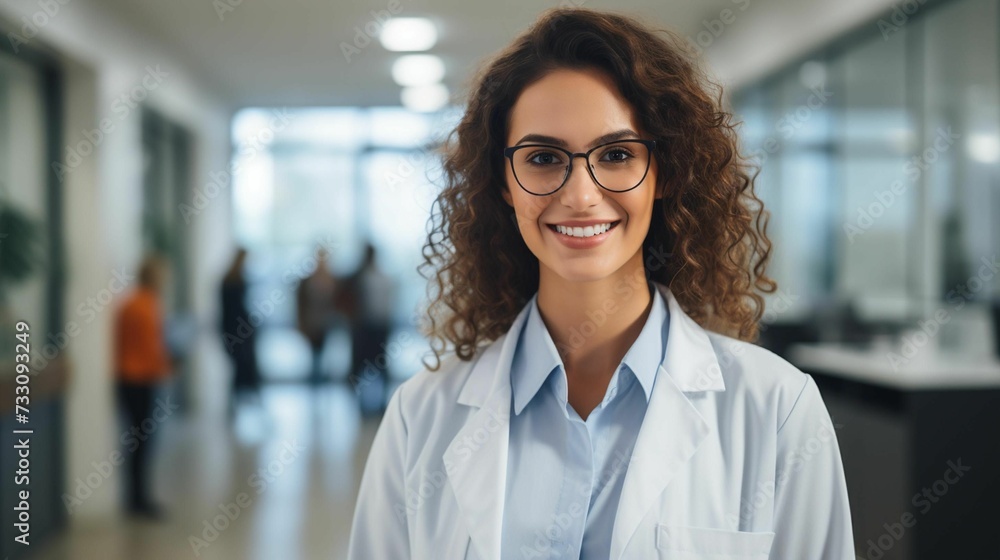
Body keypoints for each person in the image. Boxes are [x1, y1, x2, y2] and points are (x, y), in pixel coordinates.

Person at [348, 7, 854, 560]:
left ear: (666, 172)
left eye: (616, 155)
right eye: (543, 158)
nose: (581, 195)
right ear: (502, 184)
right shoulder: (420, 417)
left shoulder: (776, 409)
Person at [113, 255, 172, 519]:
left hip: (126, 378)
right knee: (141, 442)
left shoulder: (129, 304)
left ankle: (135, 497)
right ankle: (138, 500)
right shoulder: (147, 305)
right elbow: (151, 347)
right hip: (140, 380)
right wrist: (167, 368)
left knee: (135, 441)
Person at [338, 243, 397, 415]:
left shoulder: (380, 277)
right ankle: (361, 403)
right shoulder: (357, 278)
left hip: (377, 327)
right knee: (361, 366)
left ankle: (378, 403)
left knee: (379, 365)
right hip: (363, 328)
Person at [219, 247, 261, 417]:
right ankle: (237, 403)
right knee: (240, 367)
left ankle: (240, 403)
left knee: (242, 367)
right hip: (235, 332)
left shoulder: (232, 279)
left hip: (239, 331)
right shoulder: (232, 281)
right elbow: (231, 310)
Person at [295, 247, 337, 385]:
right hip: (312, 323)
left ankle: (322, 381)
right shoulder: (308, 281)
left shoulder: (332, 280)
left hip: (327, 323)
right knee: (314, 355)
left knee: (324, 355)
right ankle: (315, 382)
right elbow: (302, 304)